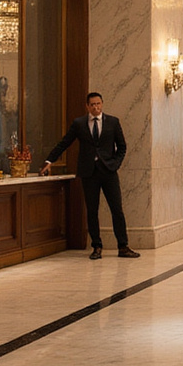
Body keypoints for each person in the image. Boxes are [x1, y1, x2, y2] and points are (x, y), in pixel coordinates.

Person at [41, 92, 140, 260]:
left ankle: (123, 246)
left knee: (117, 209)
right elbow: (65, 142)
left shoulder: (113, 122)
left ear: (102, 104)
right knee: (92, 211)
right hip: (89, 173)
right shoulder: (79, 124)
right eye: (92, 105)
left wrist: (115, 164)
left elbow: (122, 147)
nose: (96, 107)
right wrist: (50, 160)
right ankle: (97, 246)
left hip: (109, 172)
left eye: (98, 104)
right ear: (87, 106)